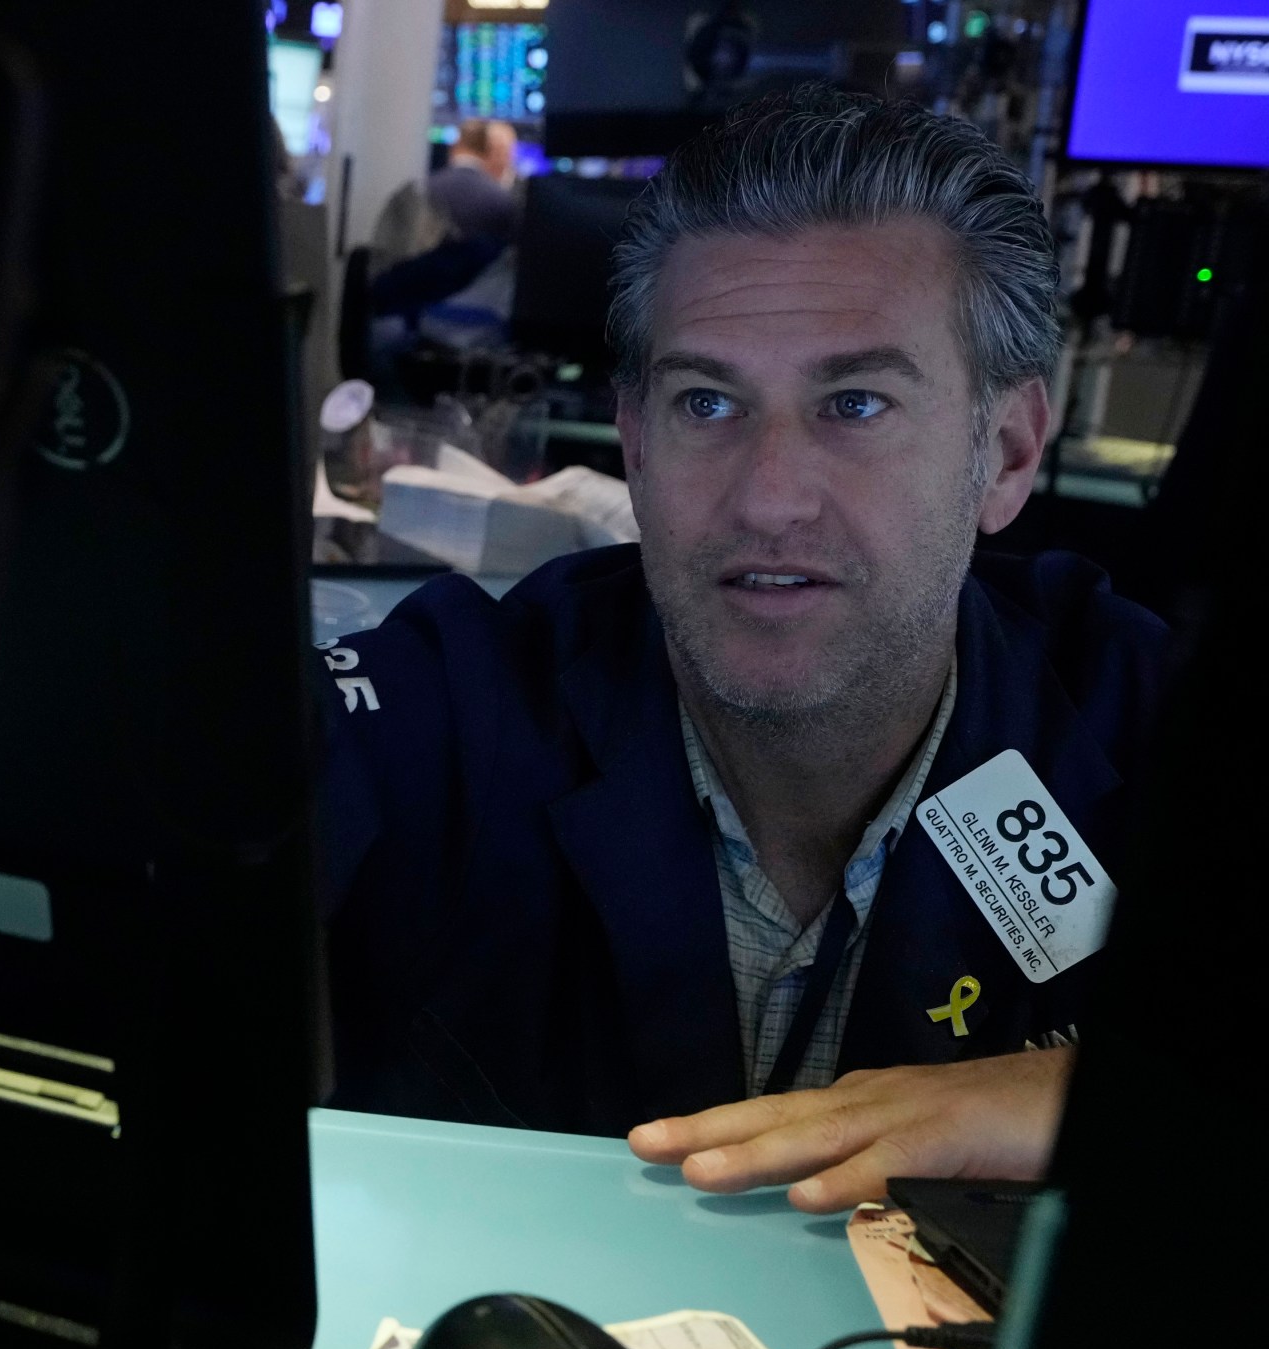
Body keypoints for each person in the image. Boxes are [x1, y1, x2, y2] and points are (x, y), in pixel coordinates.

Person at [318, 86, 1170, 1212]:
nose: (767, 501)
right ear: (632, 442)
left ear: (1006, 455)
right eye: (706, 405)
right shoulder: (453, 707)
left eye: (855, 405)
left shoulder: (1140, 720)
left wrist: (1079, 1094)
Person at [368, 120, 520, 328]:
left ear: (455, 147)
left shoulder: (418, 191)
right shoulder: (503, 202)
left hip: (402, 316)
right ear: (490, 151)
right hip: (470, 326)